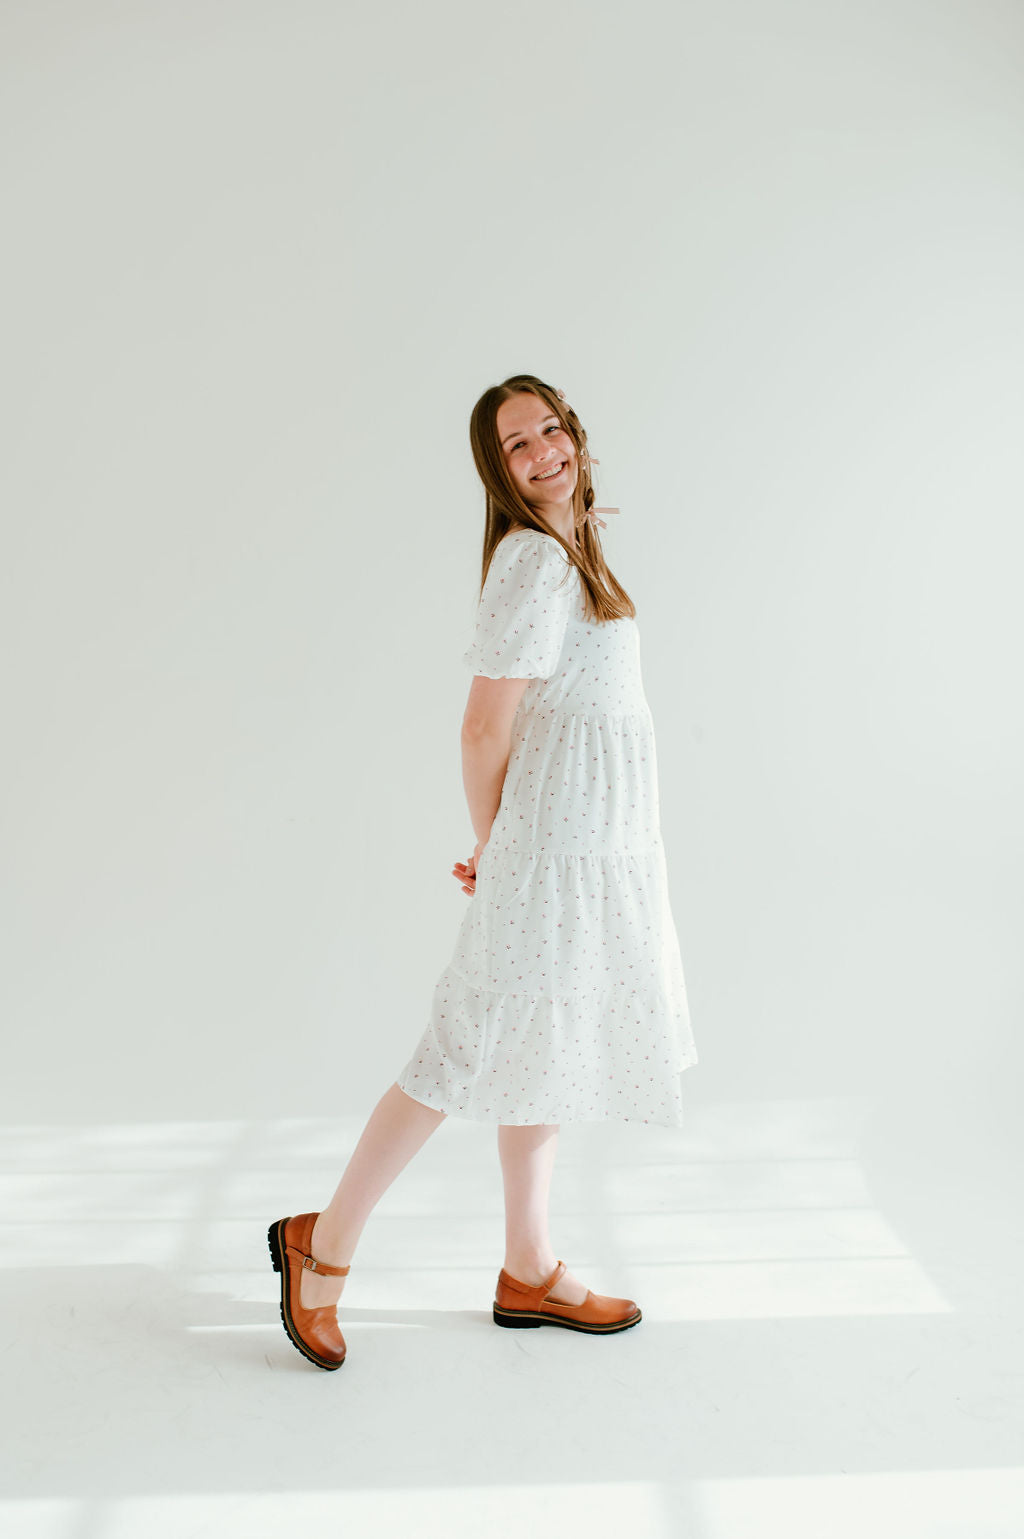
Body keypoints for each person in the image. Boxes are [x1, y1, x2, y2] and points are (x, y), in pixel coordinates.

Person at [268, 373, 698, 1370]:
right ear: (496, 471)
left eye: (552, 429)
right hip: (549, 854)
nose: (544, 451)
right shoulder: (532, 563)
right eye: (518, 444)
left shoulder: (574, 551)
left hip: (590, 847)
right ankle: (320, 1249)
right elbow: (481, 723)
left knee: (540, 1042)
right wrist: (494, 843)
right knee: (460, 1049)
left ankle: (528, 1267)